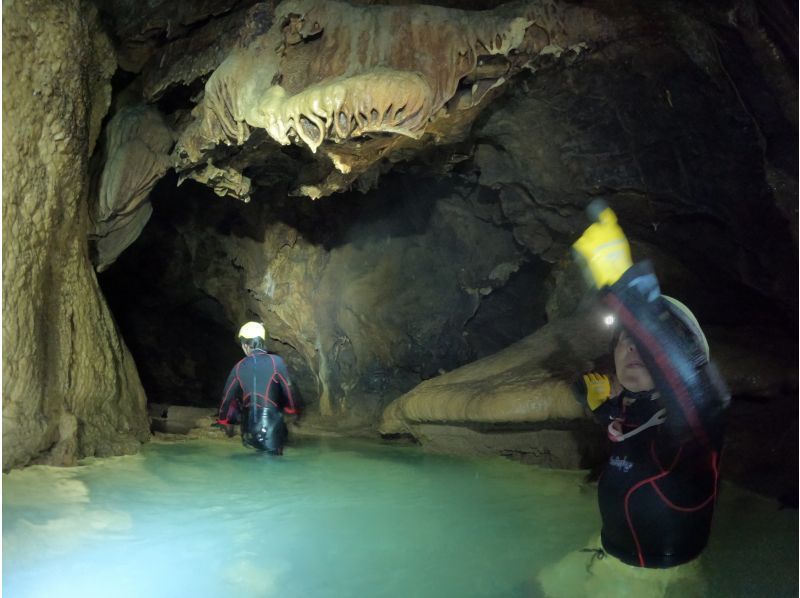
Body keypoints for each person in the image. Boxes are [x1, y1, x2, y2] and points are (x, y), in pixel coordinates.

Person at [570, 200, 730, 570]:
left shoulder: (701, 419)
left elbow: (684, 386)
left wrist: (629, 290)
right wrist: (599, 409)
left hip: (665, 577)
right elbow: (632, 434)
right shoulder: (630, 411)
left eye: (640, 339)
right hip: (609, 555)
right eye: (624, 339)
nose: (630, 346)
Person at [213, 321, 300, 455]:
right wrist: (291, 410)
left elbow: (227, 397)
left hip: (247, 429)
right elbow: (289, 390)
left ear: (246, 345)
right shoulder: (276, 362)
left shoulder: (238, 367)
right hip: (270, 427)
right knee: (271, 465)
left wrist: (223, 420)